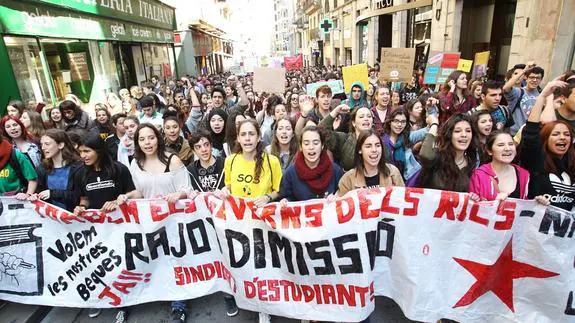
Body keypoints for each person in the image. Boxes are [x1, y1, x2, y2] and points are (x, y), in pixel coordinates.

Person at [219, 119, 282, 323]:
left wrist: (268, 197)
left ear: (258, 137)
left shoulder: (271, 161)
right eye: (243, 135)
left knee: (264, 265)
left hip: (263, 222)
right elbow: (228, 187)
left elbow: (278, 189)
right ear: (238, 138)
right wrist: (224, 191)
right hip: (239, 223)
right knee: (246, 265)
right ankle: (252, 301)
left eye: (251, 134)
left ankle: (264, 307)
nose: (247, 139)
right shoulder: (231, 161)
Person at [72, 131, 136, 322]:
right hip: (96, 230)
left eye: (87, 151)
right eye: (80, 151)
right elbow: (84, 198)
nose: (83, 155)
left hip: (119, 227)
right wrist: (81, 207)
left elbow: (134, 192)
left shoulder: (119, 169)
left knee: (121, 267)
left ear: (98, 150)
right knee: (101, 266)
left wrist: (120, 200)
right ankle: (100, 299)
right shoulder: (79, 173)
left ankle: (124, 303)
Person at [520, 77, 575, 211]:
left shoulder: (572, 162)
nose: (562, 138)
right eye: (556, 134)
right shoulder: (537, 159)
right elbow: (531, 132)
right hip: (535, 226)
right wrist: (544, 95)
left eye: (566, 135)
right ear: (545, 139)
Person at [279, 125, 343, 201]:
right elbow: (285, 197)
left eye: (315, 143)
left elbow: (343, 197)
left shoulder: (335, 170)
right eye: (306, 144)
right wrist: (285, 201)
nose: (311, 147)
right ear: (301, 147)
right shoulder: (290, 173)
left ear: (322, 145)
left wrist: (337, 197)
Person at [418, 113, 478, 191]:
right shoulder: (437, 157)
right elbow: (425, 155)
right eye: (457, 131)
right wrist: (434, 124)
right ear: (449, 135)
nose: (464, 135)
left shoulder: (471, 161)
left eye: (468, 131)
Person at [338, 130, 404, 196]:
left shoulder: (393, 172)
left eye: (378, 145)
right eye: (368, 146)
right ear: (360, 150)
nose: (374, 150)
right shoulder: (348, 179)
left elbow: (403, 199)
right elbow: (340, 203)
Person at [469, 131, 531, 201]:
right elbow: (472, 206)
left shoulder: (523, 174)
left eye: (511, 144)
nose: (508, 149)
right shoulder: (479, 175)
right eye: (501, 145)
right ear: (489, 151)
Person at [32, 129, 82, 211]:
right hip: (51, 218)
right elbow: (39, 192)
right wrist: (36, 196)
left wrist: (53, 194)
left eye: (47, 144)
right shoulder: (42, 168)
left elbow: (80, 197)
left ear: (61, 145)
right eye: (42, 144)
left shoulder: (78, 167)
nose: (43, 148)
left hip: (74, 217)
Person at [382, 108, 435, 182]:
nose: (399, 125)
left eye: (403, 122)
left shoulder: (407, 137)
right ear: (390, 122)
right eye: (396, 121)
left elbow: (429, 129)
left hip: (406, 181)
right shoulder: (381, 142)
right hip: (387, 180)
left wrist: (431, 110)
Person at [320, 105, 374, 170]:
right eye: (361, 117)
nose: (366, 119)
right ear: (354, 123)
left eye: (369, 116)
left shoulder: (378, 141)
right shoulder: (344, 139)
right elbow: (320, 131)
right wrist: (335, 111)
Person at [503, 63, 544, 135]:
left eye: (538, 78)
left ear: (541, 80)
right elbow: (506, 88)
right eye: (531, 77)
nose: (534, 80)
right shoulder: (518, 92)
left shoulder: (542, 95)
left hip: (530, 134)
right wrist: (524, 70)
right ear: (526, 78)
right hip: (514, 134)